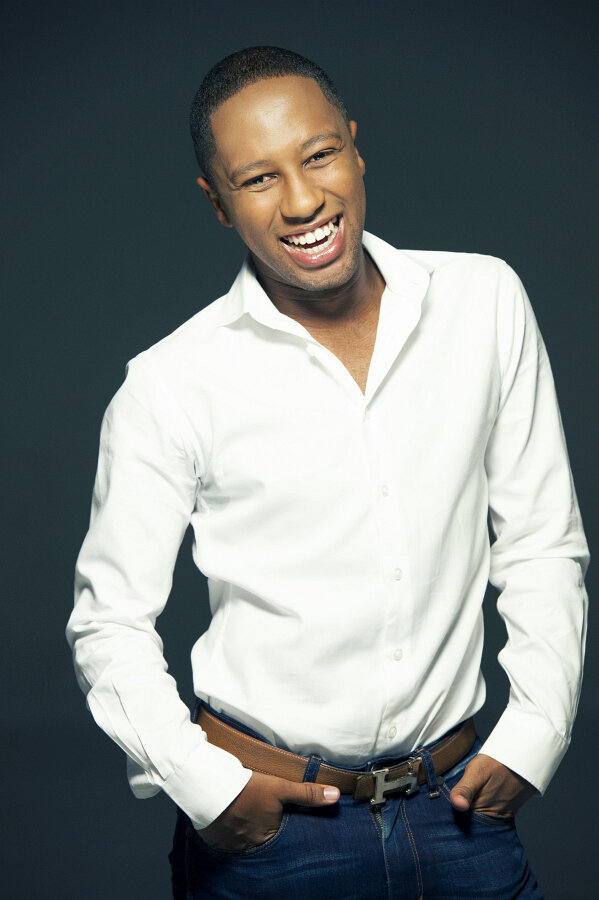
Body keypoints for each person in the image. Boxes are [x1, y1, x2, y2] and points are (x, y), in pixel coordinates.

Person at [67, 46, 589, 898]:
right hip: (272, 831)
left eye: (317, 155)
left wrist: (536, 732)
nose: (303, 200)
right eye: (257, 178)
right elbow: (109, 624)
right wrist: (209, 791)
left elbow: (539, 542)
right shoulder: (170, 383)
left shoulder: (483, 301)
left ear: (353, 145)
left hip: (459, 809)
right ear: (217, 202)